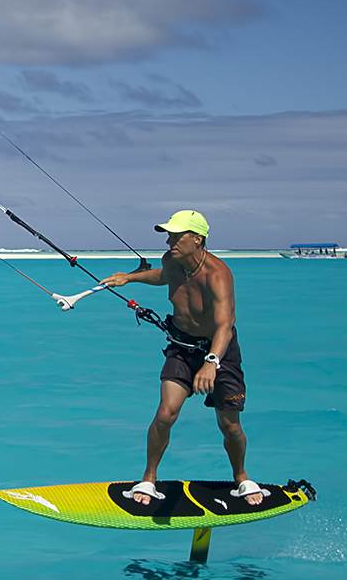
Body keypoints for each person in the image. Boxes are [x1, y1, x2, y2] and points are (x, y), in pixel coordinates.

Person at [100, 209, 263, 508]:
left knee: (230, 426)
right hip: (181, 345)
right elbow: (163, 276)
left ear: (198, 239)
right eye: (169, 236)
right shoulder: (172, 261)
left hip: (219, 350)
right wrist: (130, 278)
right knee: (165, 414)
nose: (169, 241)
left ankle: (241, 477)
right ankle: (149, 478)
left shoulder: (218, 275)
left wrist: (211, 362)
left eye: (177, 236)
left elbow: (226, 324)